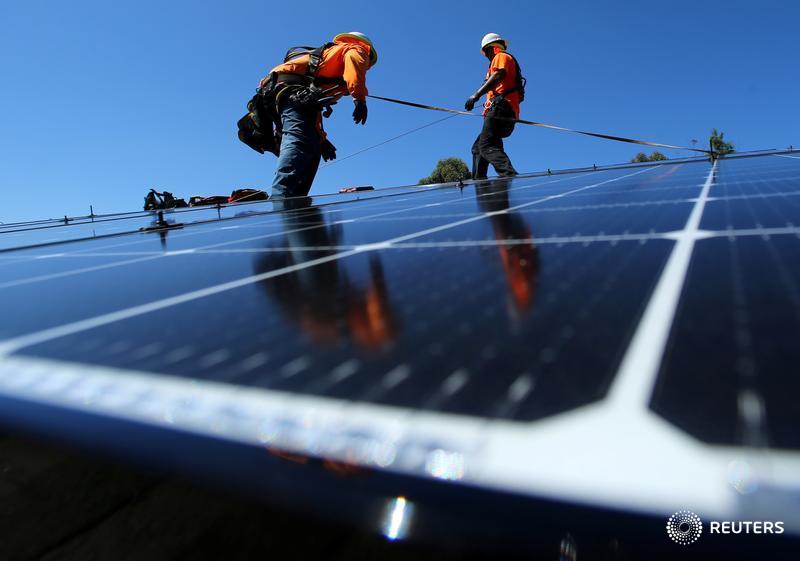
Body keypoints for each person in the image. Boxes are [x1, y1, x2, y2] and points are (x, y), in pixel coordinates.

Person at [263, 32, 377, 199]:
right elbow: (354, 62)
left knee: (311, 145)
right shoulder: (356, 49)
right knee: (299, 141)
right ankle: (282, 198)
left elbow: (310, 112)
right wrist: (359, 98)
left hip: (282, 95)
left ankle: (295, 201)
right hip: (289, 90)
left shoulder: (329, 57)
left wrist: (322, 140)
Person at [464, 33, 525, 180]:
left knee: (486, 146)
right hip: (505, 113)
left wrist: (476, 95)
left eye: (485, 52)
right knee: (478, 148)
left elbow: (498, 75)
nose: (485, 56)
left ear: (491, 48)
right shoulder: (498, 63)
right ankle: (479, 183)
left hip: (500, 110)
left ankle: (510, 175)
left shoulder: (501, 56)